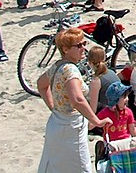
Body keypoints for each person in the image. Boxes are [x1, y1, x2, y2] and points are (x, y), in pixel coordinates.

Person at [36, 28, 113, 172]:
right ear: (65, 49)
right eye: (78, 46)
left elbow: (41, 85)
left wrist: (53, 106)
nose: (83, 48)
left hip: (56, 121)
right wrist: (97, 121)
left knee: (54, 165)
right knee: (81, 167)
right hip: (72, 126)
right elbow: (77, 99)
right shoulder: (71, 70)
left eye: (83, 43)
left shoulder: (57, 65)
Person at [86, 45, 119, 113]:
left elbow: (93, 109)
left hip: (109, 113)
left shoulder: (96, 81)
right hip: (120, 109)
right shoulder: (112, 72)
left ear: (89, 62)